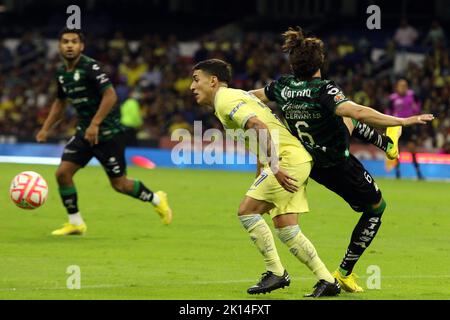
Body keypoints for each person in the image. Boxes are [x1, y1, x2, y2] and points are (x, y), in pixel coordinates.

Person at [251, 27, 434, 292]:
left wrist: (223, 96)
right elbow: (358, 111)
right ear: (320, 63)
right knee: (377, 209)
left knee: (341, 118)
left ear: (293, 64)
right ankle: (344, 272)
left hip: (308, 162)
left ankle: (387, 144)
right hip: (338, 165)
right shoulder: (324, 89)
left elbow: (251, 97)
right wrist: (403, 120)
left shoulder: (282, 86)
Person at [190, 59, 341, 298]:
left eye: (196, 79)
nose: (192, 86)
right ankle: (327, 280)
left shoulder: (225, 100)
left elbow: (259, 126)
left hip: (286, 160)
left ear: (213, 80)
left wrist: (273, 166)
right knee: (287, 229)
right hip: (295, 159)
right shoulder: (237, 95)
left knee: (247, 211)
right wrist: (264, 170)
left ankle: (276, 272)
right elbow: (261, 130)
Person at [36, 28, 173, 236]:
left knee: (120, 185)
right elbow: (60, 103)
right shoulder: (62, 73)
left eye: (74, 42)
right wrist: (45, 129)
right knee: (63, 173)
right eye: (65, 42)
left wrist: (96, 124)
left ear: (81, 46)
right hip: (85, 133)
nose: (70, 45)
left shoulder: (90, 67)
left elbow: (110, 96)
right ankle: (76, 222)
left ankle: (157, 199)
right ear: (59, 46)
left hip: (108, 134)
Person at [389, 79, 424, 180]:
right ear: (397, 87)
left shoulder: (412, 95)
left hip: (409, 126)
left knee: (412, 149)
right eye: (401, 86)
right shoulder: (392, 98)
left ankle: (418, 172)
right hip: (397, 126)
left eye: (405, 86)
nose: (403, 88)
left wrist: (416, 110)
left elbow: (418, 105)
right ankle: (397, 173)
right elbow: (388, 111)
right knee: (396, 151)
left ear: (407, 87)